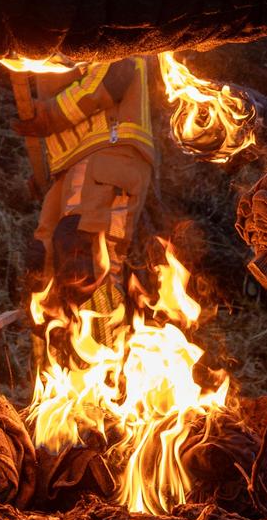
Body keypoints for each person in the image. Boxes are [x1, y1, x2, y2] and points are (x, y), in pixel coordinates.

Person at [10, 55, 159, 332]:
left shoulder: (93, 13)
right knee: (44, 268)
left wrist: (51, 117)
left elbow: (118, 72)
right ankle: (59, 368)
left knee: (88, 268)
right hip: (70, 164)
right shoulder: (47, 27)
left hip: (109, 148)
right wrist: (50, 165)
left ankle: (106, 366)